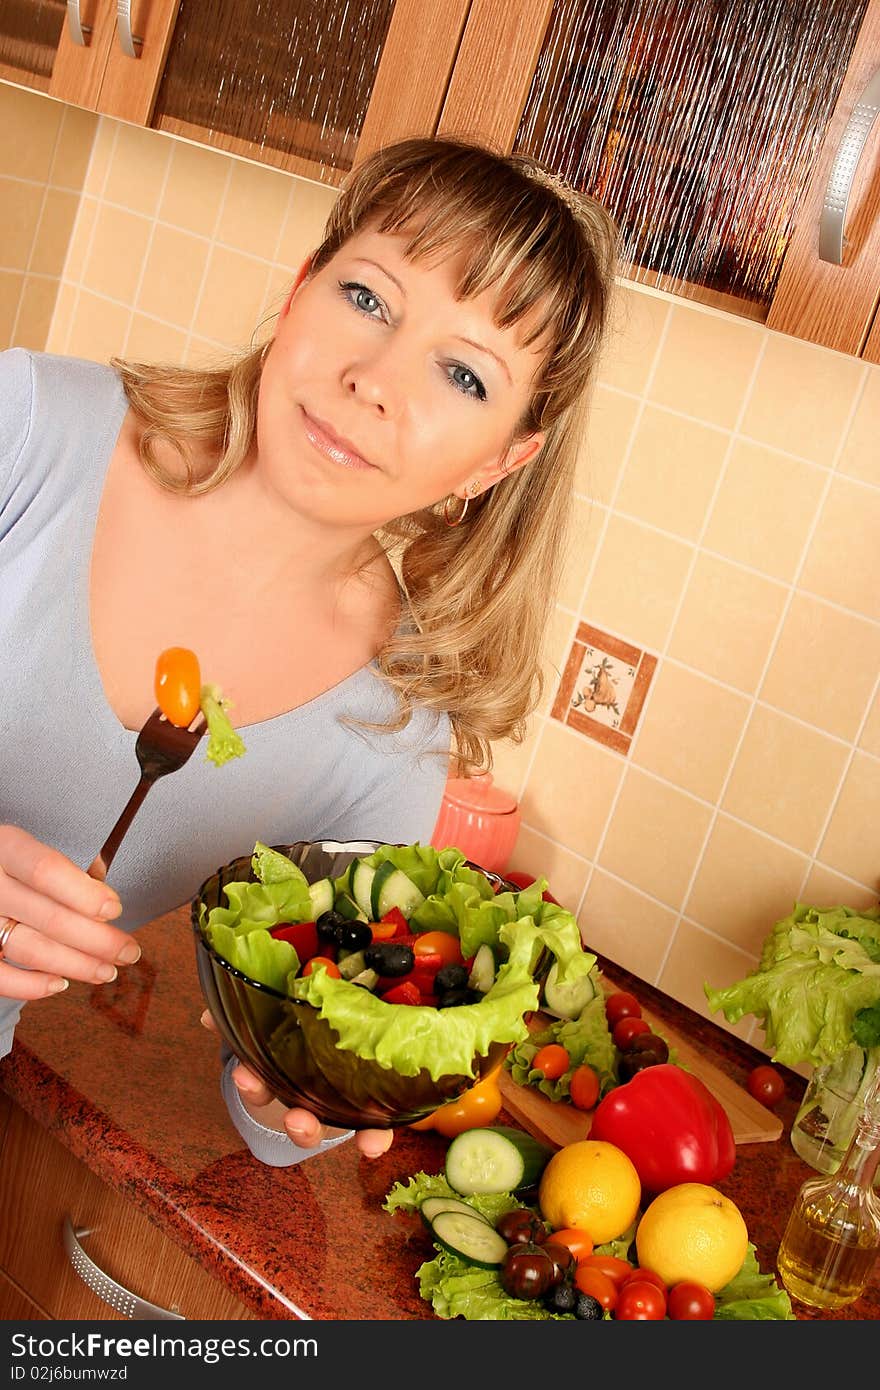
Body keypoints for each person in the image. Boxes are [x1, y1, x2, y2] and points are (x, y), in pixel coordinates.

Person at [0, 135, 617, 1166]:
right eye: (369, 299)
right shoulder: (29, 433)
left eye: (463, 373)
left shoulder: (390, 733)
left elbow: (283, 1103)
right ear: (298, 292)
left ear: (504, 459)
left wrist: (323, 1092)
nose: (373, 380)